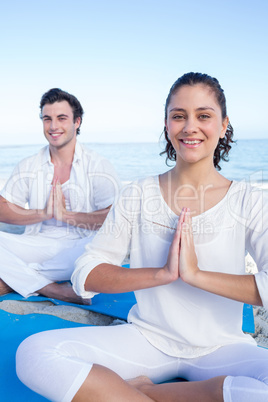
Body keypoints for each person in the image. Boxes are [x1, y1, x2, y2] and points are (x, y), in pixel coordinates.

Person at [16, 73, 268, 401]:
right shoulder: (138, 193)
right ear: (167, 124)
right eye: (179, 116)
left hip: (224, 347)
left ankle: (152, 394)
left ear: (223, 126)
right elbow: (86, 271)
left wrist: (196, 276)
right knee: (34, 353)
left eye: (203, 116)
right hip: (147, 341)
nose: (190, 126)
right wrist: (161, 275)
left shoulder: (249, 200)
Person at [0, 88, 120, 304]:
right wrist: (45, 213)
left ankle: (13, 278)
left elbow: (114, 219)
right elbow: (2, 209)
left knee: (107, 250)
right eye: (47, 119)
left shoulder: (98, 165)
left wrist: (66, 215)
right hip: (37, 244)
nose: (53, 126)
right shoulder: (29, 164)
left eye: (61, 118)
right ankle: (53, 289)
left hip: (82, 247)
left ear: (77, 122)